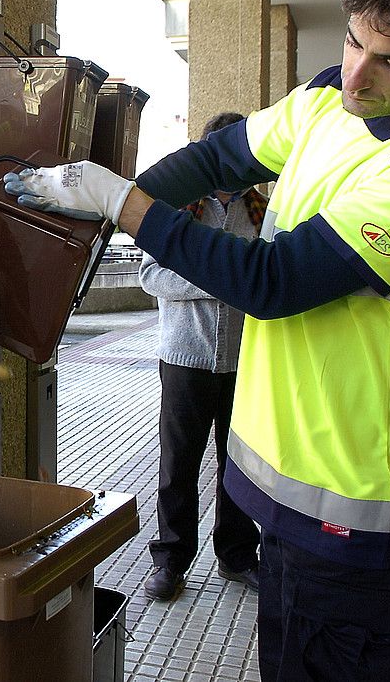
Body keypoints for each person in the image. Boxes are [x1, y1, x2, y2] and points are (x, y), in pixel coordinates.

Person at [6, 0, 390, 682]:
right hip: (282, 494)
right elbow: (221, 156)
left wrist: (122, 205)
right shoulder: (324, 100)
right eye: (353, 40)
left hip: (355, 516)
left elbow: (272, 282)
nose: (356, 75)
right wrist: (102, 193)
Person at [139, 112, 266, 602]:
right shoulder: (180, 207)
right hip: (184, 357)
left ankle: (236, 556)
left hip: (245, 358)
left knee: (238, 462)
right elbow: (151, 276)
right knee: (179, 463)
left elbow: (271, 272)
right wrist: (220, 277)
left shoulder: (260, 208)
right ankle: (170, 560)